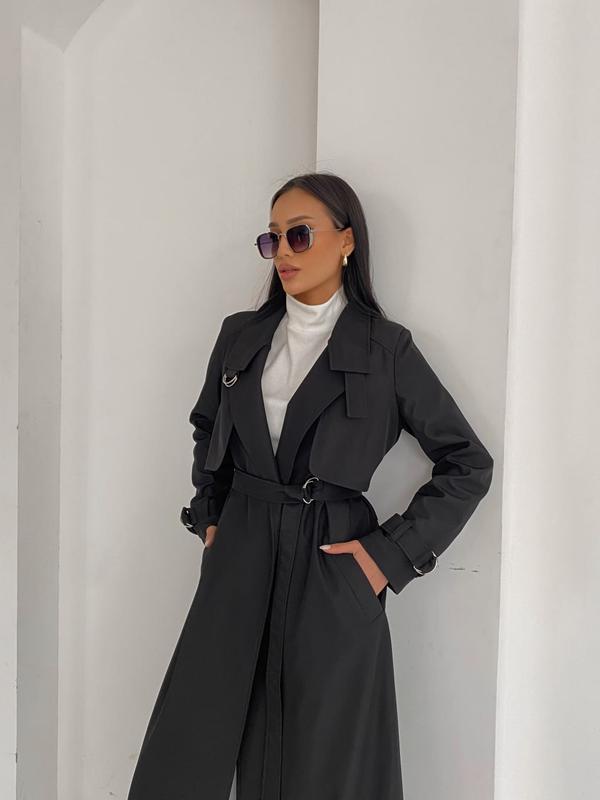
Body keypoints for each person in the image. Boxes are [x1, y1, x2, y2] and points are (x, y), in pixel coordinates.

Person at [127, 172, 494, 800]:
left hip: (331, 567)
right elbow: (207, 428)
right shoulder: (240, 337)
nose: (283, 252)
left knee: (324, 762)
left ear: (346, 241)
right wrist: (211, 518)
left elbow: (467, 462)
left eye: (299, 235)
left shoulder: (385, 350)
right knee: (194, 747)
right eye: (271, 239)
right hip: (239, 557)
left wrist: (386, 557)